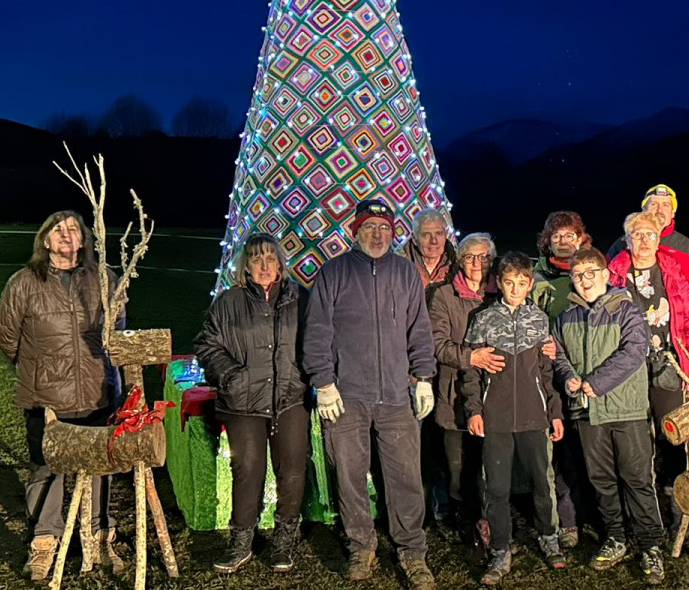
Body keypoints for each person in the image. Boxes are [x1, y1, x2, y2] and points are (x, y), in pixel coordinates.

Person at [303, 199, 437, 589]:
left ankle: (412, 552)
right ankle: (362, 546)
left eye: (384, 228)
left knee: (405, 478)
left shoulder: (405, 274)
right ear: (355, 231)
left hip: (397, 395)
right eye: (369, 227)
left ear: (393, 233)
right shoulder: (333, 274)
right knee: (349, 476)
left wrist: (423, 376)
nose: (377, 235)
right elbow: (317, 333)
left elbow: (419, 330)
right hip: (347, 396)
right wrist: (324, 383)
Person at [0, 211, 123, 582]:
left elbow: (118, 330)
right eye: (57, 230)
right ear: (45, 241)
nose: (66, 236)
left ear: (83, 240)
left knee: (100, 468)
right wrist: (44, 369)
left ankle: (99, 536)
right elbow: (7, 339)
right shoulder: (23, 283)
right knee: (47, 470)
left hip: (99, 392)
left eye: (73, 230)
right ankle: (44, 542)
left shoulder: (104, 280)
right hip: (46, 397)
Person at [193, 233, 309, 574]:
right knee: (247, 469)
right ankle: (241, 540)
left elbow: (318, 340)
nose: (263, 265)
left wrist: (307, 376)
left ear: (280, 264)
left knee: (291, 470)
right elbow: (207, 343)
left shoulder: (300, 299)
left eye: (270, 258)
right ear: (245, 264)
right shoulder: (229, 301)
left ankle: (283, 540)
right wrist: (230, 375)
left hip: (290, 398)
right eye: (256, 259)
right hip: (244, 401)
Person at [552, 247, 666, 585]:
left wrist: (594, 383)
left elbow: (633, 352)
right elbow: (557, 354)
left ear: (604, 275)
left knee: (637, 479)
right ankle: (615, 537)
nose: (585, 281)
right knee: (601, 480)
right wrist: (568, 377)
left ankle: (650, 545)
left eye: (591, 273)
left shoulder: (626, 310)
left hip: (626, 409)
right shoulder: (566, 317)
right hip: (587, 414)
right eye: (578, 275)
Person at [462, 252, 566, 584]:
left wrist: (555, 413)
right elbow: (472, 375)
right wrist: (475, 410)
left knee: (542, 481)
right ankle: (501, 549)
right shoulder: (483, 319)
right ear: (499, 283)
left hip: (536, 418)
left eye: (522, 284)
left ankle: (549, 537)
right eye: (509, 283)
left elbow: (546, 373)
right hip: (496, 419)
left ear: (529, 284)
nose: (515, 289)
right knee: (496, 487)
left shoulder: (539, 320)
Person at [607, 211, 689, 525]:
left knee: (671, 434)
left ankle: (677, 499)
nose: (644, 240)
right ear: (627, 240)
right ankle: (642, 502)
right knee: (637, 439)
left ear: (659, 237)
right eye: (637, 235)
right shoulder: (615, 274)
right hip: (631, 369)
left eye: (650, 234)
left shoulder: (671, 270)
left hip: (670, 365)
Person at [426, 232, 499, 544]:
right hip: (454, 394)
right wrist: (471, 357)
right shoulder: (444, 296)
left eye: (483, 257)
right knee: (457, 466)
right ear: (459, 260)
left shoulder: (501, 292)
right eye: (470, 257)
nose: (476, 263)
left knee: (492, 464)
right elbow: (437, 344)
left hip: (496, 394)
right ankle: (462, 517)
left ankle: (491, 519)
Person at [530, 210, 592, 549]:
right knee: (561, 447)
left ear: (581, 239)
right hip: (552, 375)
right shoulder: (538, 279)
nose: (564, 241)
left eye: (571, 235)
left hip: (589, 372)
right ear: (547, 241)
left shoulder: (591, 273)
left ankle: (596, 512)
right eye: (557, 236)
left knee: (591, 448)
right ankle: (567, 519)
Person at [606, 185, 689, 294]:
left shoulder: (687, 249)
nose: (660, 210)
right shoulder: (621, 244)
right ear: (644, 210)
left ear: (673, 213)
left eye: (666, 205)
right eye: (654, 204)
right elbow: (605, 283)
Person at [402, 209, 457, 289]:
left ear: (445, 235)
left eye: (438, 234)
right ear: (414, 239)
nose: (433, 241)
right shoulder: (397, 266)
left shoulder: (459, 265)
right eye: (426, 235)